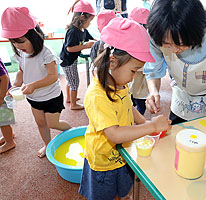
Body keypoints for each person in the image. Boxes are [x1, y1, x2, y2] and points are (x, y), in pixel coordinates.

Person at [78, 18, 171, 200]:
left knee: (123, 189)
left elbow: (129, 107)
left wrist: (146, 124)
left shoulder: (120, 83)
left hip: (123, 154)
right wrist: (151, 126)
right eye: (133, 71)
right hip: (104, 162)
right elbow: (114, 134)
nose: (134, 77)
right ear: (112, 62)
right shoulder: (97, 95)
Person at [1, 7, 72, 158]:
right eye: (14, 43)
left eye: (22, 41)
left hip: (51, 96)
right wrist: (16, 85)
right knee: (41, 123)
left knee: (53, 123)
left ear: (34, 36)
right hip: (34, 98)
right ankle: (48, 145)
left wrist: (33, 85)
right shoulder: (20, 53)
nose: (18, 46)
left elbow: (53, 76)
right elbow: (21, 71)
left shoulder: (46, 53)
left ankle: (71, 131)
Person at [60, 0, 96, 110]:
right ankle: (73, 105)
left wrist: (98, 41)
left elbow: (91, 38)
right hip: (68, 61)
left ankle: (70, 99)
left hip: (71, 60)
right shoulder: (73, 31)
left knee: (69, 80)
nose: (90, 23)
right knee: (74, 82)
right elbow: (70, 48)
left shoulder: (83, 30)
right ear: (82, 18)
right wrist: (86, 46)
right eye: (89, 20)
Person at [128, 7, 151, 115]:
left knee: (139, 105)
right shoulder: (128, 39)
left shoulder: (148, 40)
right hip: (132, 81)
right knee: (131, 104)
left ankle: (134, 125)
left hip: (140, 81)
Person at [0, 58, 16, 153]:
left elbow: (5, 78)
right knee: (3, 121)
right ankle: (8, 136)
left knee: (3, 121)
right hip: (3, 94)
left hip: (2, 96)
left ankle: (9, 142)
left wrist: (1, 97)